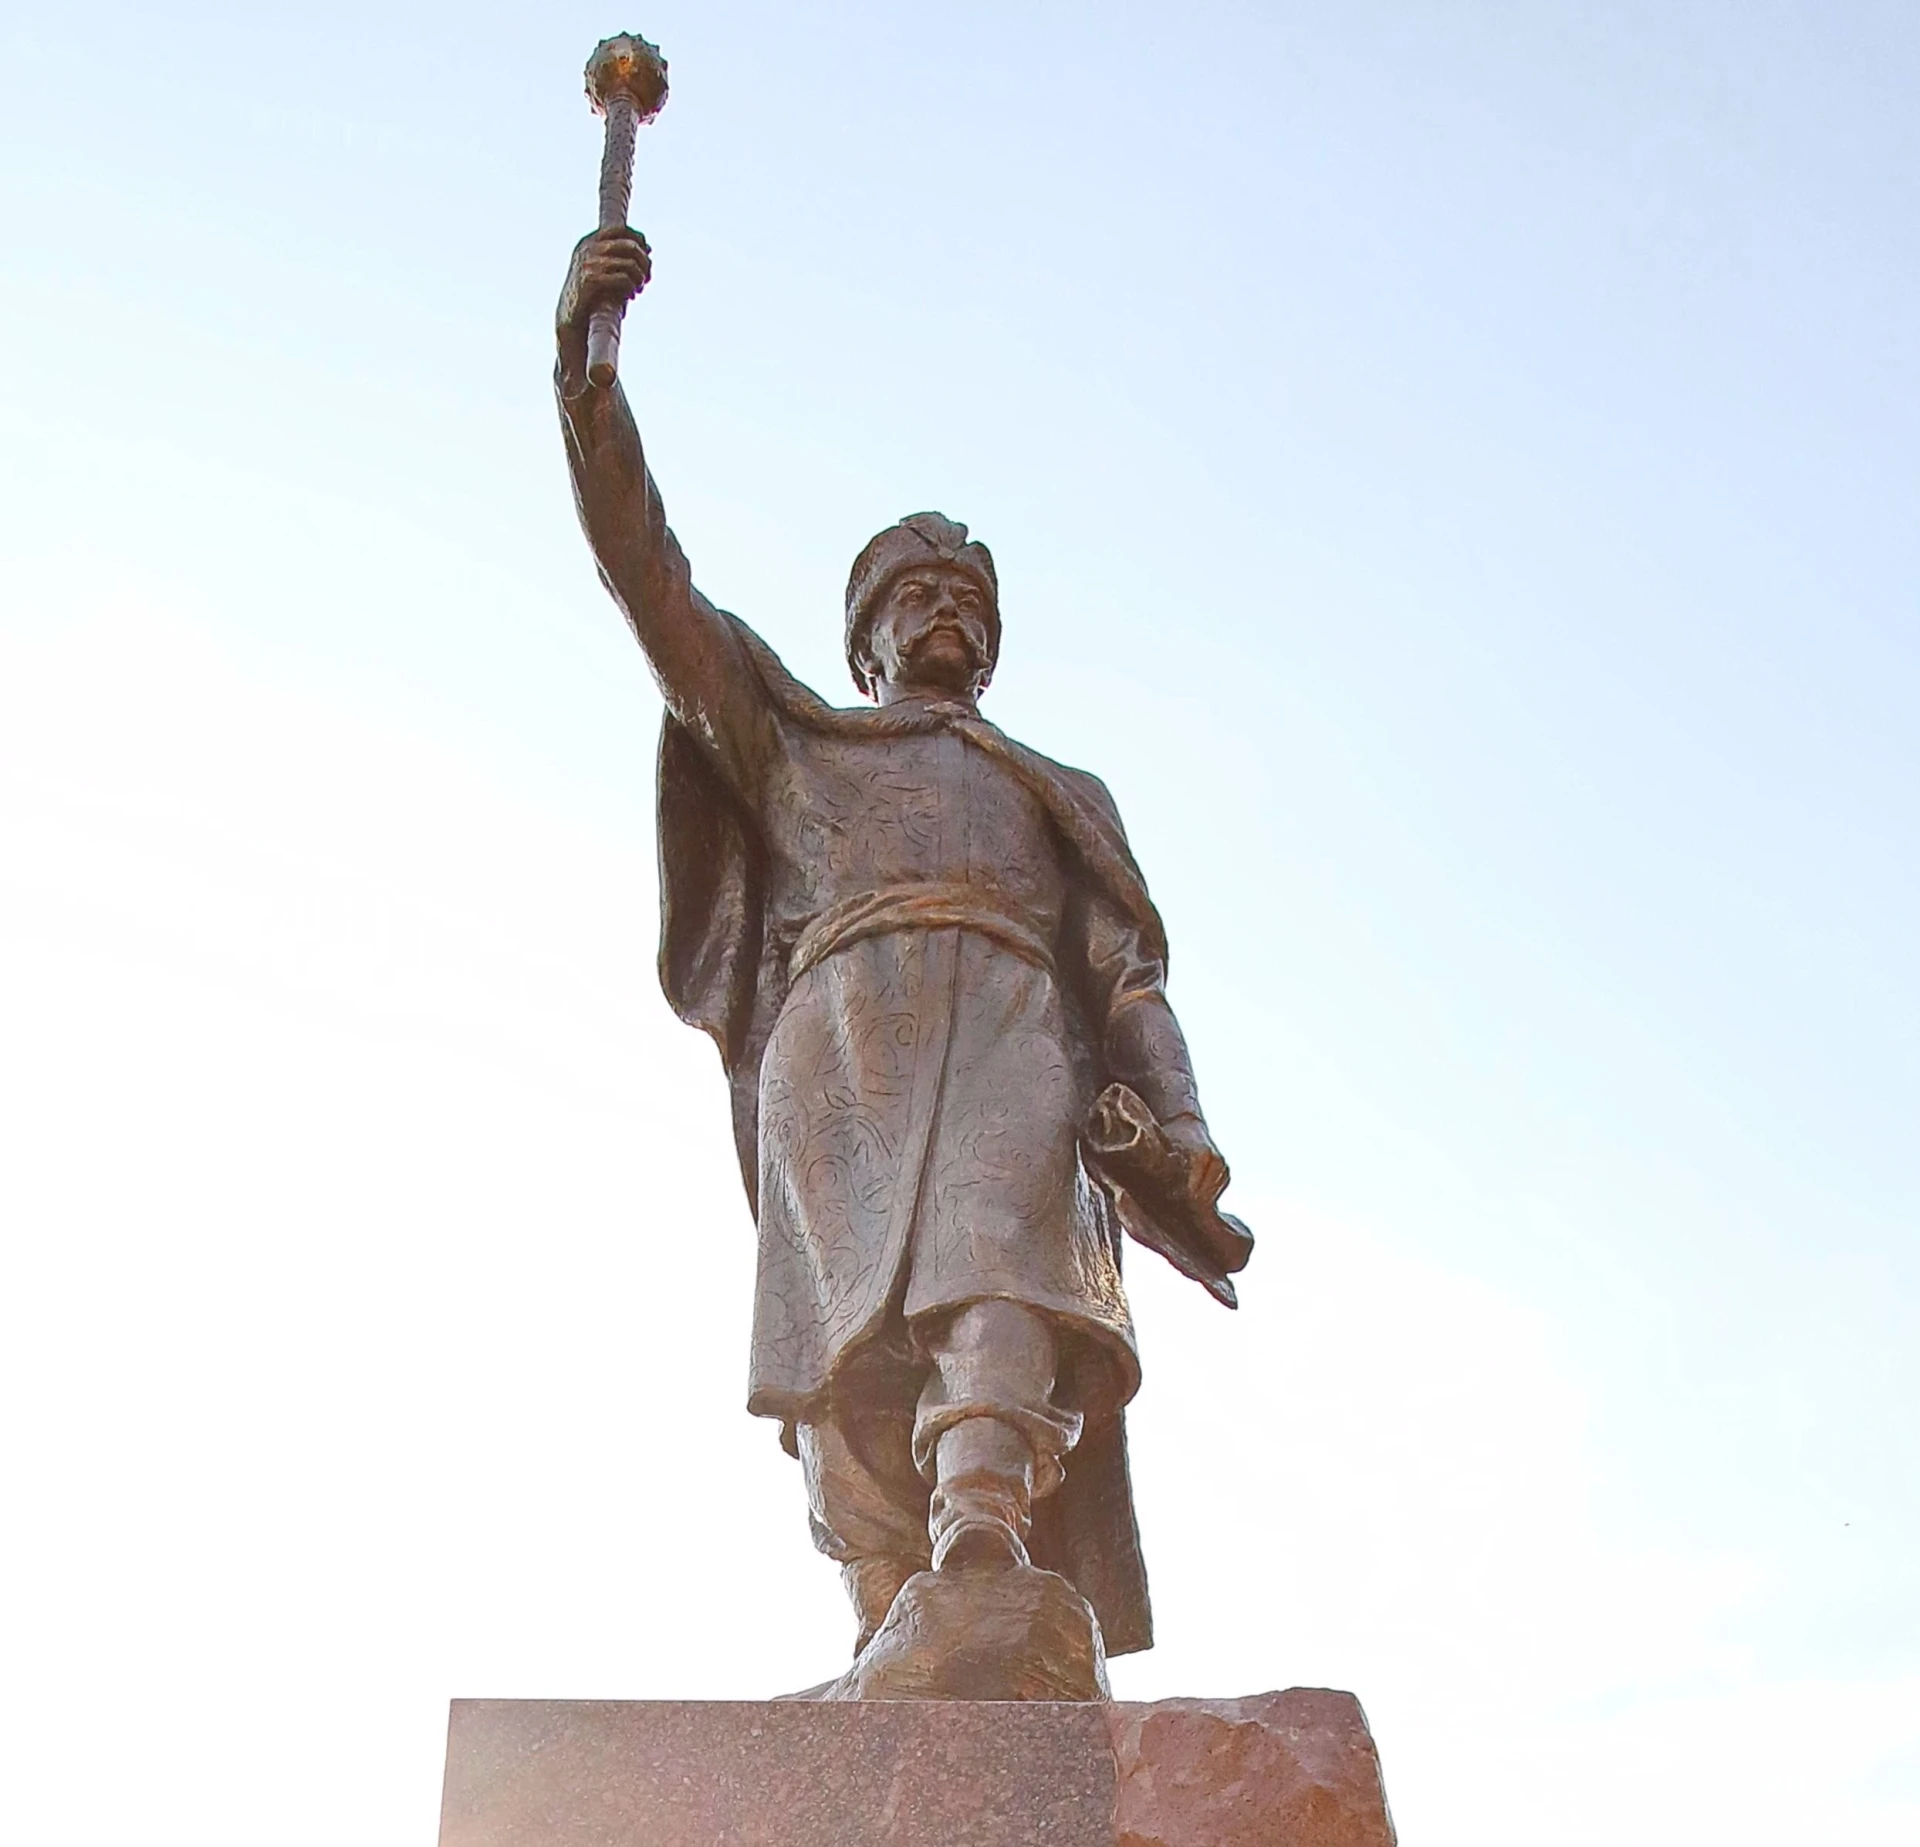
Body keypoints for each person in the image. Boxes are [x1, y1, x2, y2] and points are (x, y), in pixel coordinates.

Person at [555, 226, 1246, 1663]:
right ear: (865, 644)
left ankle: (982, 1517)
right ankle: (893, 1595)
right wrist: (588, 376)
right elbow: (653, 584)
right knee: (850, 1359)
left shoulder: (1060, 792)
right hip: (847, 1049)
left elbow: (1126, 976)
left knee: (1012, 1265)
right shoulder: (796, 742)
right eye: (912, 602)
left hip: (1012, 1029)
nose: (943, 616)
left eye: (967, 607)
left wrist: (1180, 1130)